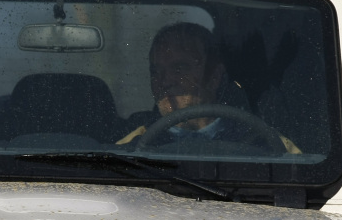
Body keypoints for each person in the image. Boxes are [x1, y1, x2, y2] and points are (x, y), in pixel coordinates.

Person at [119, 21, 299, 153]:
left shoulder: (265, 141)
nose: (164, 81)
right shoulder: (132, 144)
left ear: (214, 77)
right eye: (156, 71)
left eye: (180, 68)